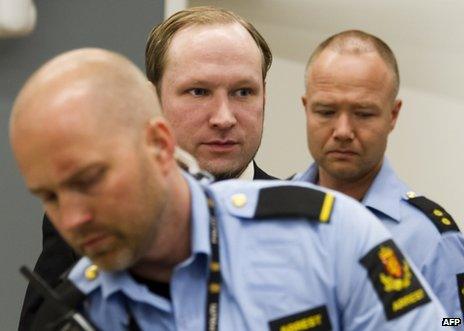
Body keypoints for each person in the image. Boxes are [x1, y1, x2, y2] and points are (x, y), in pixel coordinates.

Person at [10, 47, 446, 331]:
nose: (72, 217)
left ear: (160, 147)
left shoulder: (326, 234)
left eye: (90, 181)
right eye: (49, 196)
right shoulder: (78, 313)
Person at [18, 7, 276, 330]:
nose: (224, 117)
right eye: (199, 91)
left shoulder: (304, 224)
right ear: (151, 98)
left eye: (243, 92)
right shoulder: (91, 217)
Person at [295, 29, 464, 322]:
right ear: (306, 108)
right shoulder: (270, 214)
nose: (343, 131)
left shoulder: (432, 240)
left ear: (393, 115)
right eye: (326, 111)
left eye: (363, 113)